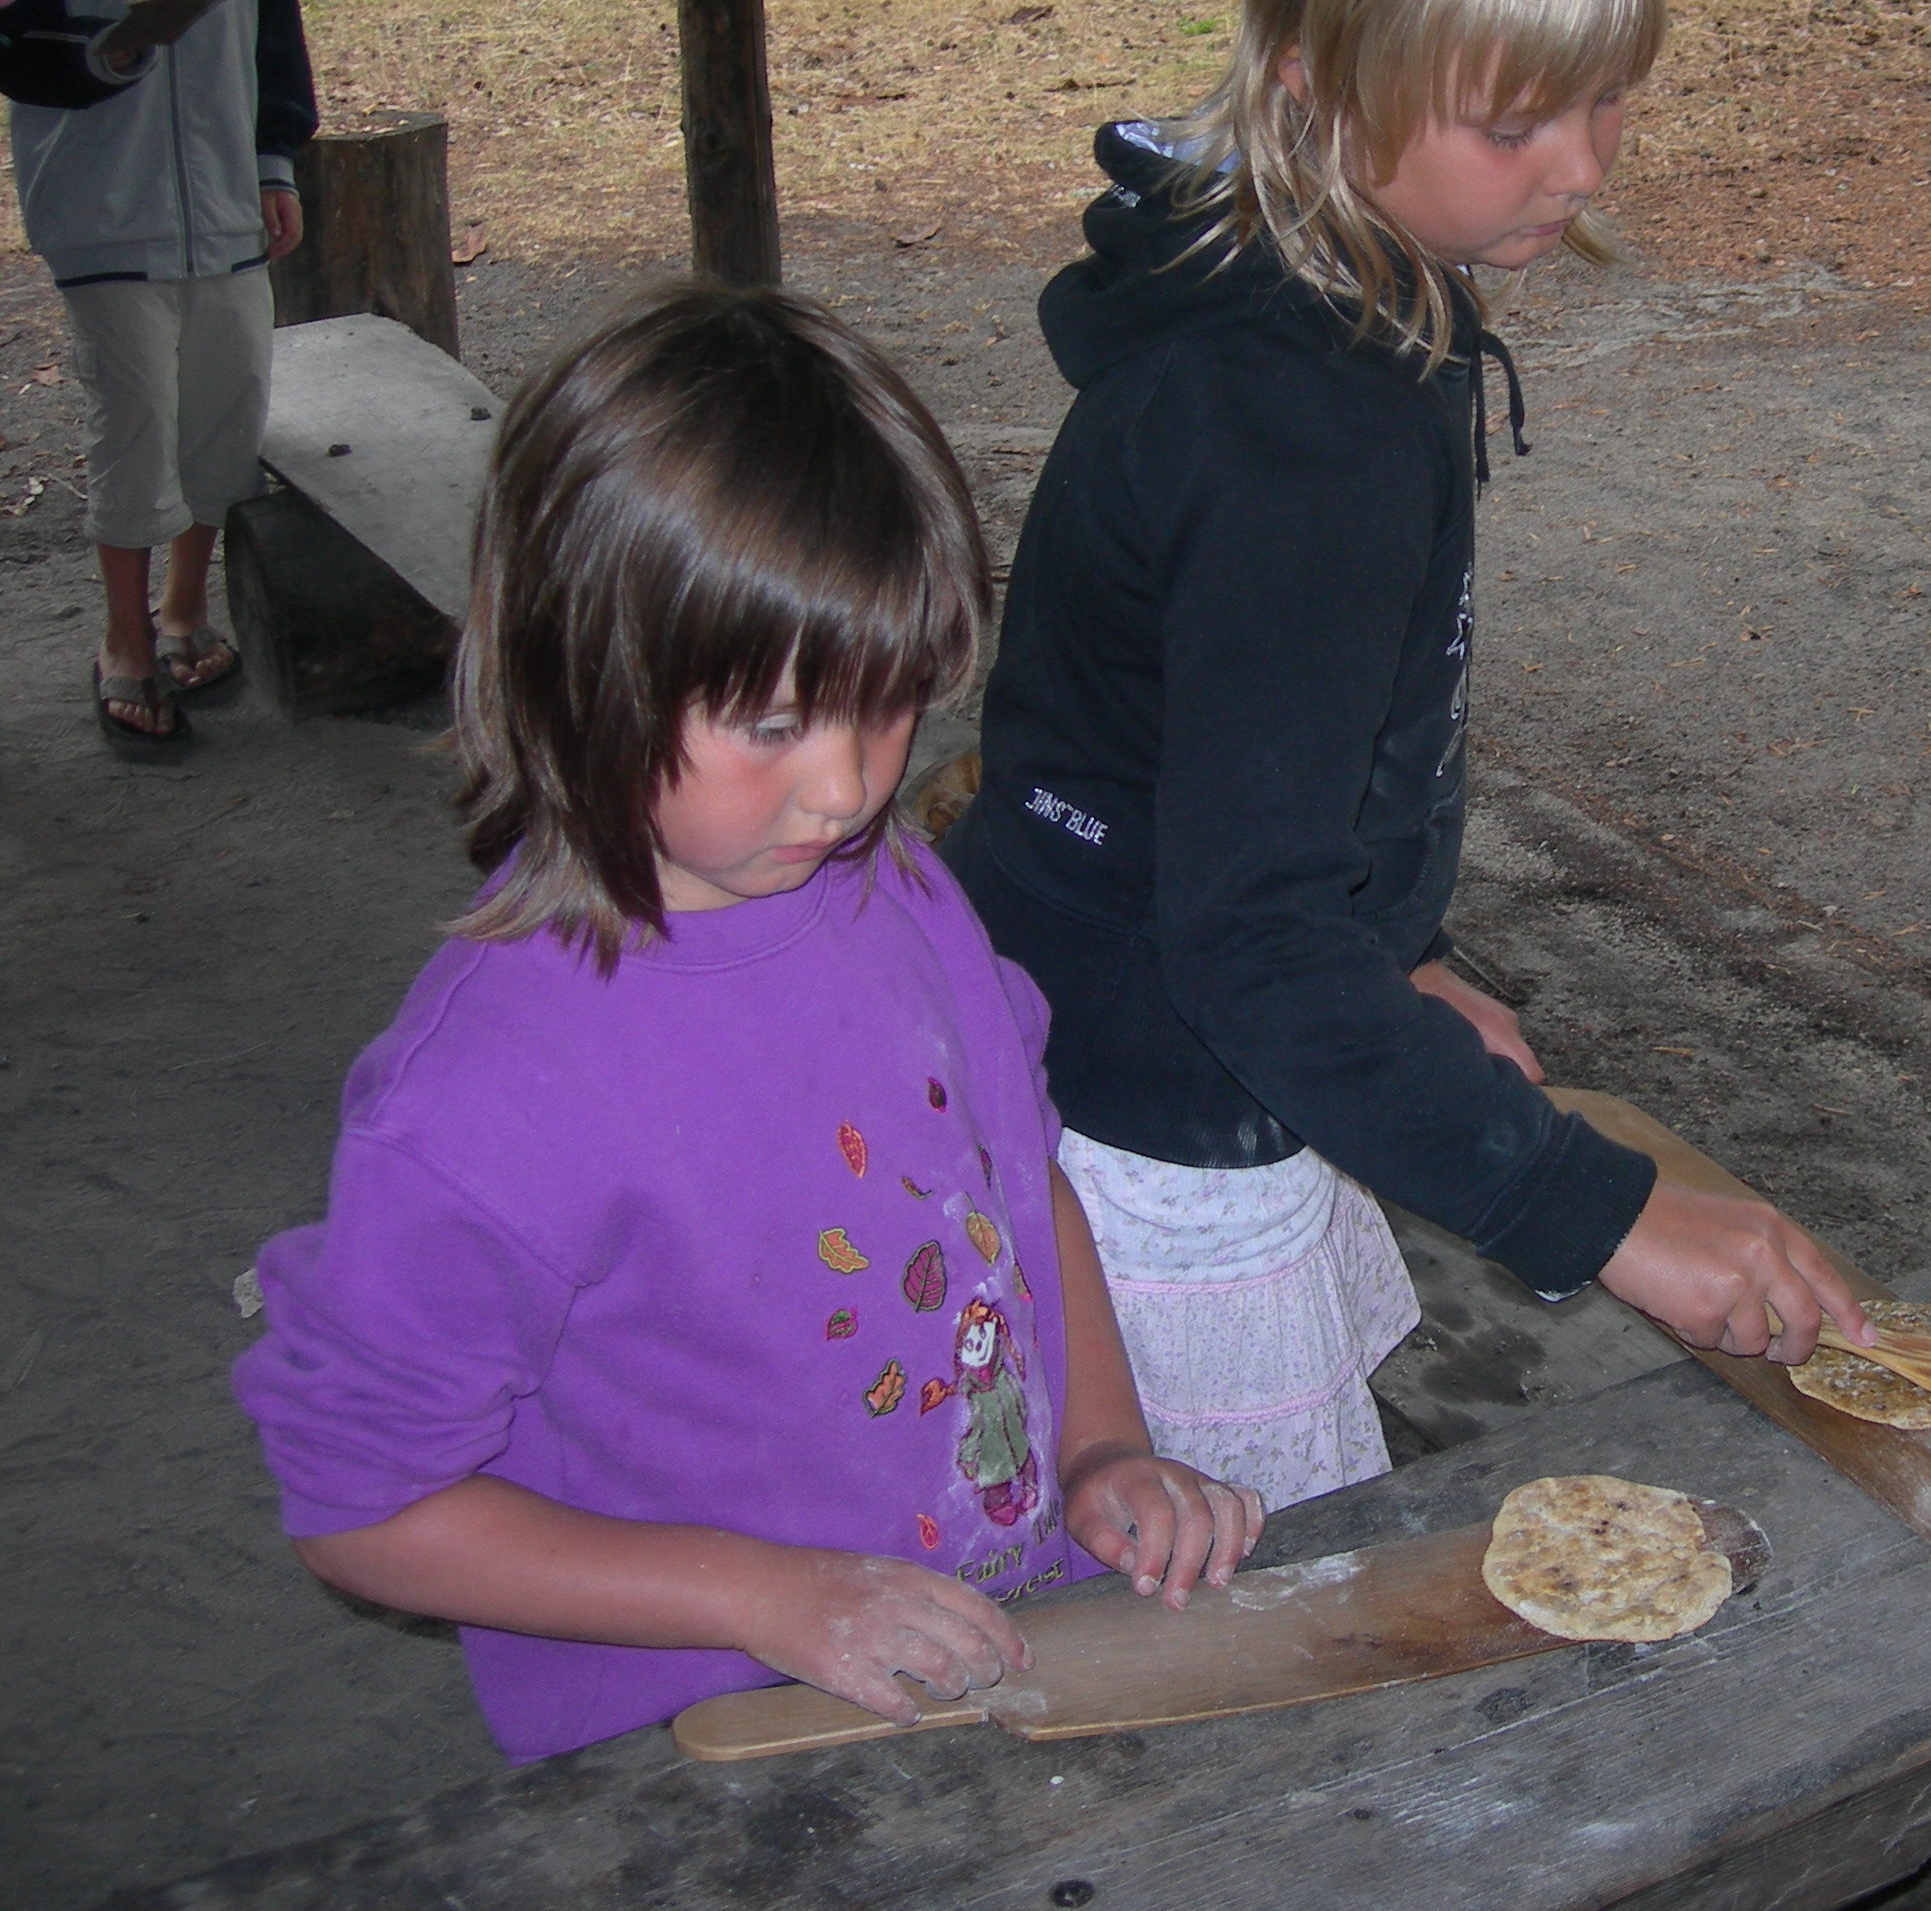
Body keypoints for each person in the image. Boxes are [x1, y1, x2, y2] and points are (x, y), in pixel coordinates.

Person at [942, 0, 1870, 1512]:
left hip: (1104, 988)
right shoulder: (1297, 438)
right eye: (1514, 124)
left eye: (1607, 101)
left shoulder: (1313, 293)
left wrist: (1397, 952)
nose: (1579, 168)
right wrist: (1603, 1211)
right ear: (1316, 81)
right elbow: (1246, 936)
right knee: (1227, 1610)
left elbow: (1225, 762)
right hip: (1153, 1106)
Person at [232, 285, 1261, 1763]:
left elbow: (1013, 1175)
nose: (847, 788)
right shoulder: (482, 1098)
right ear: (578, 658)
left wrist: (1103, 1443)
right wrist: (768, 1597)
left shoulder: (893, 886)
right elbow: (366, 1508)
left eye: (892, 701)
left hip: (992, 1649)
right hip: (710, 1738)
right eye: (775, 724)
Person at [0, 0, 316, 752]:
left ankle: (191, 608)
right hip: (102, 209)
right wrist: (99, 57)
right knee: (131, 419)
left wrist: (276, 153)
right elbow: (8, 44)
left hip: (228, 198)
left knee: (223, 410)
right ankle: (124, 635)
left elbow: (276, 17)